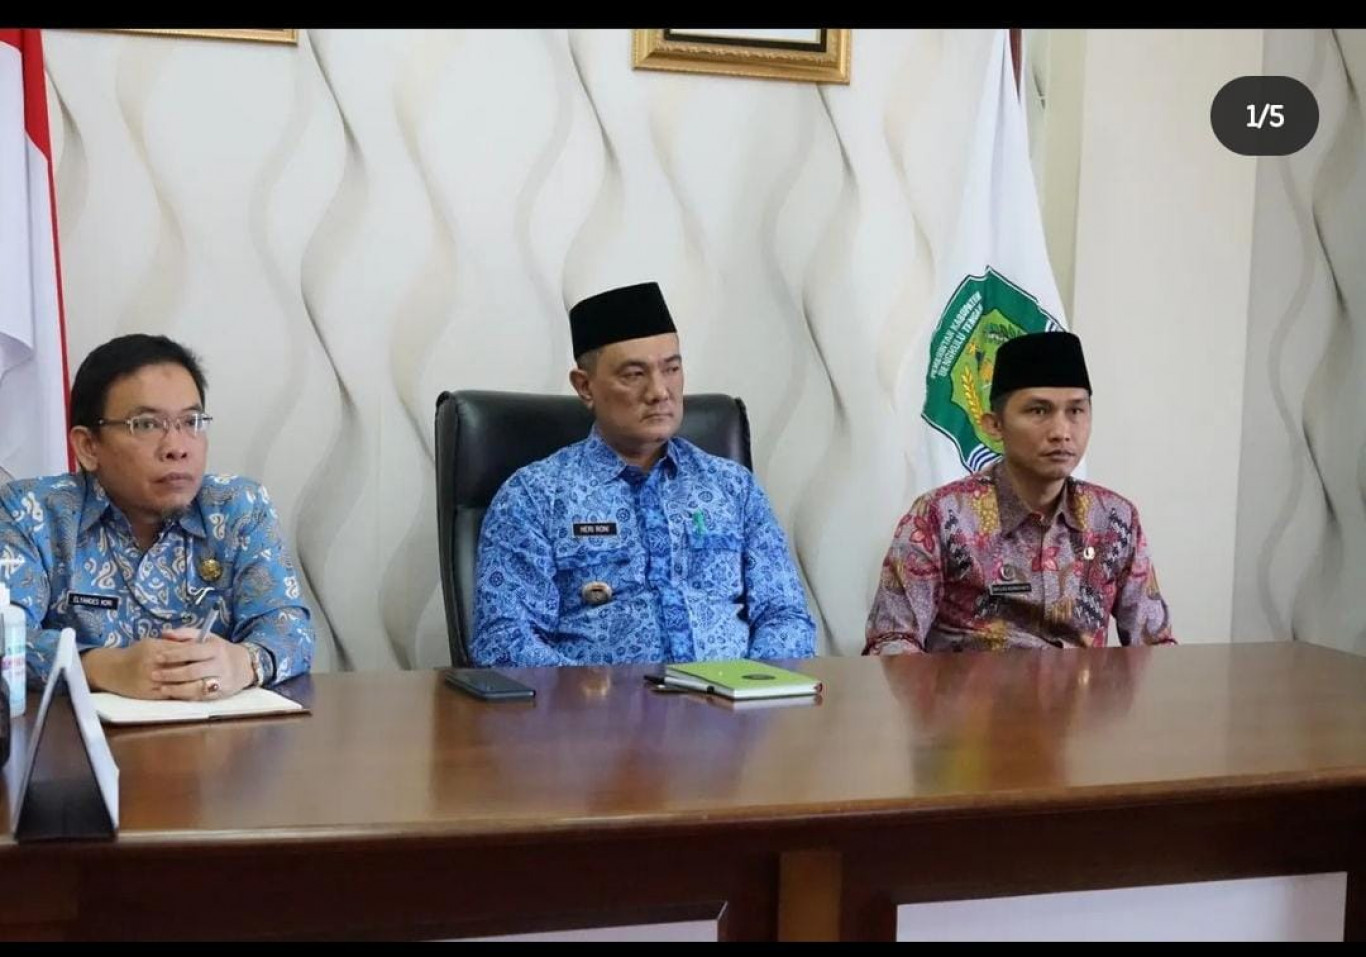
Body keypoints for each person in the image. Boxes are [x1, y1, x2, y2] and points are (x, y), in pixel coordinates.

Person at [473, 281, 815, 666]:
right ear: (585, 387)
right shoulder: (533, 497)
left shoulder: (733, 488)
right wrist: (601, 698)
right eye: (634, 374)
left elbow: (785, 616)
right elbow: (504, 640)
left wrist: (751, 688)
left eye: (672, 369)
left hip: (731, 701)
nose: (659, 391)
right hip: (596, 703)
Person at [0, 334, 314, 699]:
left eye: (191, 421)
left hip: (216, 730)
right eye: (147, 424)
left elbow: (290, 628)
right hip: (74, 733)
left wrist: (242, 662)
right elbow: (7, 636)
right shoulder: (31, 512)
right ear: (88, 446)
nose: (177, 448)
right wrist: (104, 667)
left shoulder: (237, 507)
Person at [865, 331, 1174, 653]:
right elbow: (891, 641)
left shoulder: (1113, 519)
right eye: (1038, 411)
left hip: (1084, 687)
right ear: (994, 425)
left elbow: (1155, 645)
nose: (1061, 432)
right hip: (974, 686)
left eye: (1076, 411)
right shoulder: (942, 517)